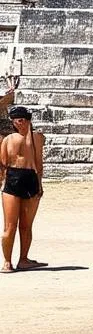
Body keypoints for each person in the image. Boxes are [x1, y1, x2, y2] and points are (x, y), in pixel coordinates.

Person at [0, 105, 45, 272]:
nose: (20, 122)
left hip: (31, 177)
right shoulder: (8, 139)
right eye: (17, 119)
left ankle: (24, 259)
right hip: (13, 178)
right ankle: (6, 261)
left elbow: (39, 163)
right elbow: (3, 164)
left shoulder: (37, 138)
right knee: (9, 226)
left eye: (23, 119)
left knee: (26, 225)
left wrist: (40, 184)